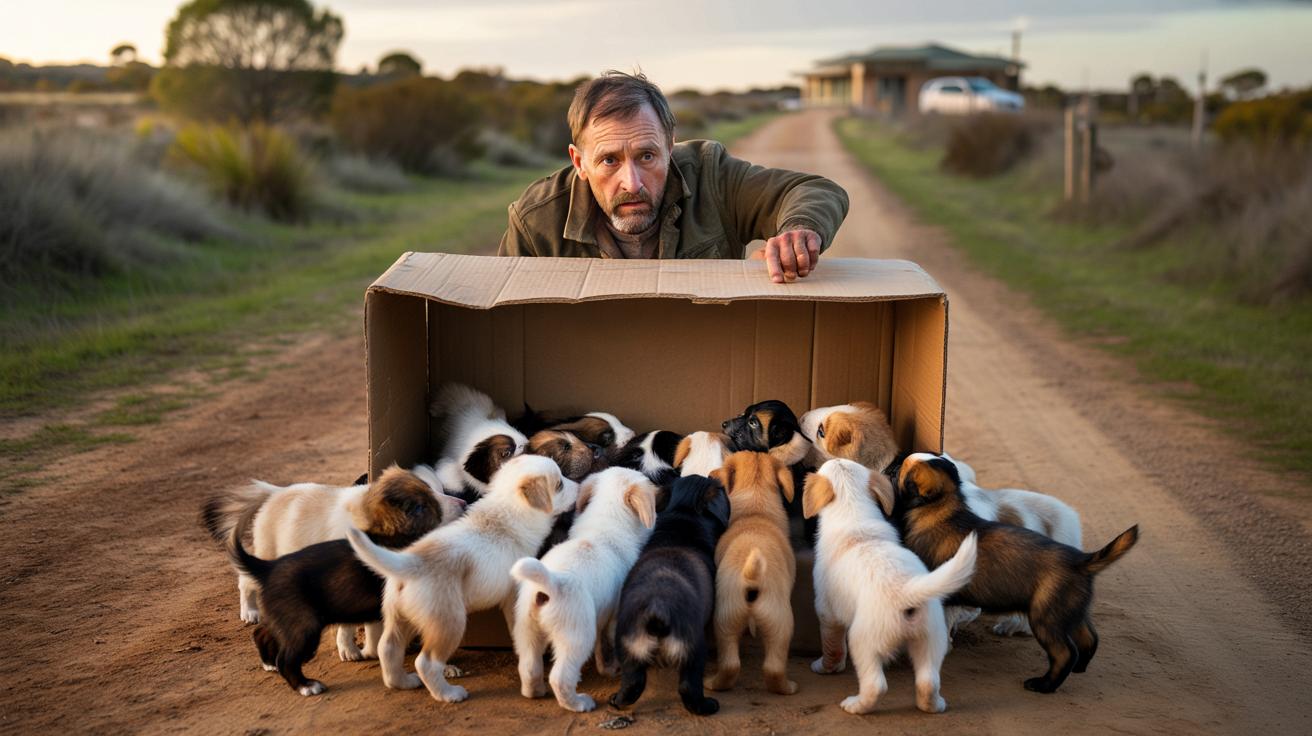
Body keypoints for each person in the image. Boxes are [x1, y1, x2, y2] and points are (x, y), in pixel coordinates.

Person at [497, 71, 849, 283]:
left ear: (670, 146)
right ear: (579, 162)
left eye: (647, 156)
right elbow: (505, 322)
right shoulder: (535, 221)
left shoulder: (712, 174)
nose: (632, 182)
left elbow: (813, 190)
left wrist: (799, 230)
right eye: (608, 160)